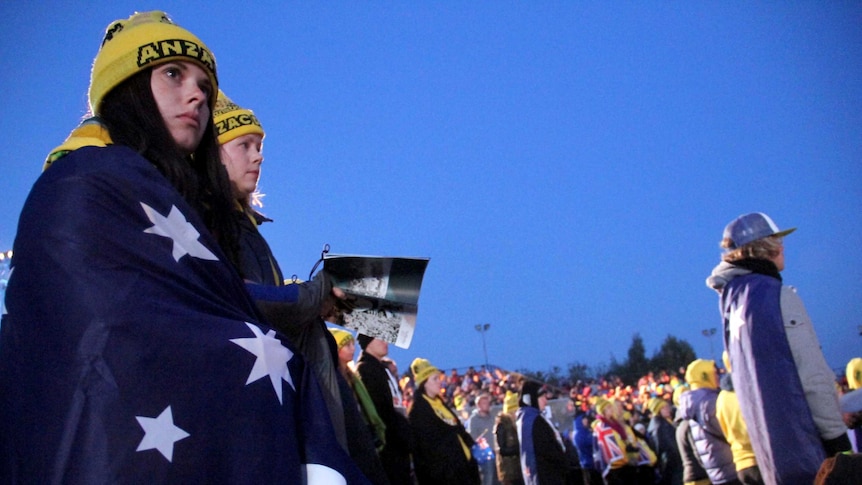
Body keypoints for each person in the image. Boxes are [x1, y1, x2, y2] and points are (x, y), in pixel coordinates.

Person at [0, 11, 368, 483]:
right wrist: (298, 312)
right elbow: (112, 324)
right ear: (128, 86)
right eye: (172, 74)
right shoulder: (82, 181)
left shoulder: (178, 198)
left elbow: (210, 302)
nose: (196, 94)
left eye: (204, 86)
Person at [213, 90, 352, 454]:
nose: (259, 155)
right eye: (245, 145)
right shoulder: (211, 220)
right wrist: (318, 290)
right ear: (214, 153)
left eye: (260, 146)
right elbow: (242, 297)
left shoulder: (245, 224)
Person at [706, 212, 850, 483]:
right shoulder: (777, 295)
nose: (782, 247)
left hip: (772, 456)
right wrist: (837, 438)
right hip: (808, 449)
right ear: (761, 248)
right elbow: (811, 374)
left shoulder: (732, 299)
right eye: (776, 240)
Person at [408, 358, 480, 485]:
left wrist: (471, 444)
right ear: (424, 383)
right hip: (447, 476)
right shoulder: (418, 410)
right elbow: (427, 450)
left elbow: (456, 428)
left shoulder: (439, 403)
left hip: (463, 469)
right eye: (435, 379)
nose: (439, 382)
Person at [356, 335, 414, 485]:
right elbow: (381, 410)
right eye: (380, 339)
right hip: (390, 446)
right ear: (368, 343)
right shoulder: (366, 368)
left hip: (398, 442)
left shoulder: (380, 367)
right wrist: (403, 435)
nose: (385, 342)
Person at [677, 359, 738, 485]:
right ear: (704, 376)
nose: (717, 376)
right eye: (714, 373)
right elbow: (728, 430)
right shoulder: (708, 401)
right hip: (731, 467)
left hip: (717, 470)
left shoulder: (693, 402)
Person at [715, 352, 763, 485]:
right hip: (760, 458)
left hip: (741, 462)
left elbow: (723, 429)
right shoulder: (749, 388)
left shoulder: (721, 398)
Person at [516, 381, 570, 485]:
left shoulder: (525, 418)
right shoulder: (534, 420)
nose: (546, 401)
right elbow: (547, 449)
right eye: (542, 398)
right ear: (532, 399)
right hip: (546, 475)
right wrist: (563, 459)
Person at [646, 397, 683, 485]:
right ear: (659, 410)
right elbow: (663, 447)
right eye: (664, 408)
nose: (668, 409)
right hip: (671, 465)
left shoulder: (665, 422)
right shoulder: (659, 426)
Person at [469, 392, 502, 485]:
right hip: (485, 455)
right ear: (478, 405)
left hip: (496, 452)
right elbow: (473, 438)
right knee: (489, 479)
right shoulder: (474, 419)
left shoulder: (493, 417)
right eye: (484, 403)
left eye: (488, 403)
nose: (487, 405)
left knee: (499, 479)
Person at [496, 391, 526, 485]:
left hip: (520, 468)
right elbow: (502, 450)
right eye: (512, 411)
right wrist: (520, 448)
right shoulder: (502, 425)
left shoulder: (519, 423)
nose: (515, 414)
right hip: (508, 470)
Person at [572, 412, 602, 485]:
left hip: (594, 463)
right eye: (584, 419)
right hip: (588, 465)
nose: (586, 421)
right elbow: (590, 442)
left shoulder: (586, 431)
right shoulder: (578, 434)